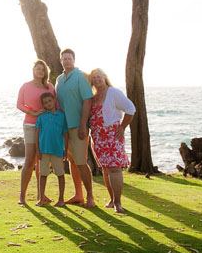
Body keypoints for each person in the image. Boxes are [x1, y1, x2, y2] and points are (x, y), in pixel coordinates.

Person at [88, 68, 135, 214]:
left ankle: (118, 203)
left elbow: (130, 108)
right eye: (94, 77)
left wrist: (122, 127)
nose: (97, 79)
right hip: (98, 138)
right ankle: (111, 199)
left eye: (99, 76)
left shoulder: (113, 93)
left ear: (104, 77)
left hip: (112, 136)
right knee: (106, 169)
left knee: (114, 168)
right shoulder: (94, 96)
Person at [55, 48, 95, 207]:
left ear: (74, 60)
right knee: (71, 161)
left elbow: (87, 100)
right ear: (61, 61)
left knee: (81, 162)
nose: (66, 61)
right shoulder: (59, 79)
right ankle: (78, 195)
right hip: (63, 128)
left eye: (69, 58)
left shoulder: (81, 77)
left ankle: (90, 197)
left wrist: (83, 125)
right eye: (64, 59)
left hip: (78, 126)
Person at [16, 60, 56, 205]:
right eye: (38, 69)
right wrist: (32, 112)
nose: (40, 71)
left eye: (43, 69)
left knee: (43, 161)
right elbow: (19, 104)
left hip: (46, 127)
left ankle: (41, 195)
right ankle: (22, 196)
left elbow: (54, 105)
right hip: (30, 125)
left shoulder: (49, 87)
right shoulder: (26, 86)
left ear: (46, 72)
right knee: (29, 160)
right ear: (33, 70)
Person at [35, 92, 67, 207]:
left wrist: (66, 150)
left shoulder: (61, 116)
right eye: (45, 103)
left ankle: (61, 199)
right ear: (43, 105)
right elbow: (37, 133)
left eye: (49, 101)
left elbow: (65, 134)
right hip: (43, 151)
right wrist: (37, 149)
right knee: (43, 174)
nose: (48, 104)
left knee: (60, 174)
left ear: (54, 101)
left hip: (57, 150)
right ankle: (41, 198)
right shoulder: (41, 117)